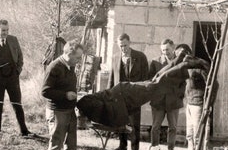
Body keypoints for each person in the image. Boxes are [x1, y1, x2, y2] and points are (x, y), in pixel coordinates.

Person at [77, 47, 209, 134]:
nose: (80, 123)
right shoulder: (87, 106)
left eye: (79, 120)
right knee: (156, 80)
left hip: (126, 94)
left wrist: (122, 124)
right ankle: (179, 60)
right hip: (124, 90)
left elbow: (111, 107)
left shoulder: (87, 106)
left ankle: (186, 63)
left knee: (158, 82)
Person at [41, 40, 84, 150]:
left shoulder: (70, 67)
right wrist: (65, 95)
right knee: (56, 143)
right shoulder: (54, 67)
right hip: (57, 111)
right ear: (69, 54)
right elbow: (45, 91)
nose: (79, 60)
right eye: (77, 57)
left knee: (71, 144)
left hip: (69, 110)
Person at [0, 19, 34, 138]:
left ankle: (24, 131)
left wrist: (18, 71)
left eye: (7, 30)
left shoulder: (13, 39)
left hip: (12, 78)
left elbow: (20, 57)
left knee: (17, 104)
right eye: (2, 30)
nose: (5, 32)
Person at [107, 33, 148, 150]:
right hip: (119, 96)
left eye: (125, 45)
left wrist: (142, 94)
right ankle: (122, 146)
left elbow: (146, 78)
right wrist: (109, 94)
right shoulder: (115, 57)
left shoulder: (140, 57)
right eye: (120, 46)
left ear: (129, 43)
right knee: (121, 122)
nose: (123, 48)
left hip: (134, 97)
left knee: (134, 124)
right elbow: (112, 77)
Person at [172, 44, 211, 150]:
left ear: (188, 53)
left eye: (182, 55)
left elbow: (213, 84)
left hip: (199, 104)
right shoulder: (185, 67)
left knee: (199, 134)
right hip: (189, 103)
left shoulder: (200, 66)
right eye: (177, 55)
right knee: (189, 134)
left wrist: (208, 103)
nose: (180, 58)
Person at [149, 38, 184, 150]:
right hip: (158, 101)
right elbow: (151, 81)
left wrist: (179, 95)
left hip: (173, 101)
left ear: (173, 48)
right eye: (163, 50)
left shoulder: (181, 62)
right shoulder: (155, 62)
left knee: (173, 127)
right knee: (155, 127)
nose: (165, 52)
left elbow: (184, 82)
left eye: (167, 49)